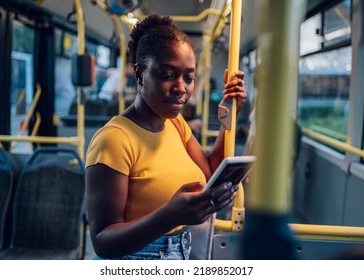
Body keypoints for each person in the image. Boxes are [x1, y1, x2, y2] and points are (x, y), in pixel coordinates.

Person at [85, 14, 247, 260]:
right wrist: (170, 216)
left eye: (189, 78)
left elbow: (208, 173)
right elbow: (103, 242)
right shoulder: (114, 140)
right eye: (167, 75)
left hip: (179, 251)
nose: (181, 87)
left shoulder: (175, 123)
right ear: (140, 74)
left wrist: (228, 117)